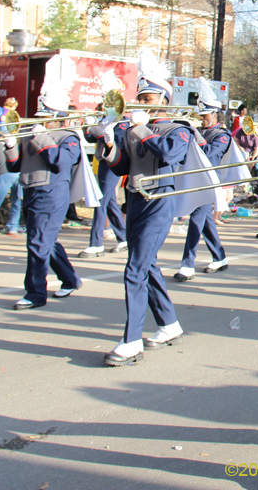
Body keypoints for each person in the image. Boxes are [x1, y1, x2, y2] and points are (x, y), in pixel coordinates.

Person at [95, 50, 192, 365]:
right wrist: (109, 144)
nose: (142, 102)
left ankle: (131, 340)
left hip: (159, 202)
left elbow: (168, 155)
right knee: (145, 265)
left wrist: (139, 128)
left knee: (135, 269)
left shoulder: (178, 129)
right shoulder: (136, 128)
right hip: (134, 200)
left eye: (149, 97)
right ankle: (169, 324)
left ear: (163, 100)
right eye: (140, 96)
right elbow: (121, 166)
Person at [5, 57, 83, 310]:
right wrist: (9, 146)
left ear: (58, 117)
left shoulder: (68, 137)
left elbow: (59, 161)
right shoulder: (35, 133)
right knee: (43, 240)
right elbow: (15, 166)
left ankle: (35, 293)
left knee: (37, 243)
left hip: (52, 193)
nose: (39, 120)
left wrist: (40, 137)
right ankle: (70, 279)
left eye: (44, 116)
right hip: (29, 192)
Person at [174, 79, 231, 282]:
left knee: (196, 222)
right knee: (205, 222)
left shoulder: (222, 135)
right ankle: (220, 256)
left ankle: (187, 264)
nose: (202, 119)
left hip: (209, 183)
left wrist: (194, 132)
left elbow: (208, 153)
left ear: (214, 114)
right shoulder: (202, 130)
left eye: (205, 115)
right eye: (201, 115)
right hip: (194, 180)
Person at [79, 76, 129, 258]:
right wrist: (88, 124)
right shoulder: (105, 117)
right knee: (108, 201)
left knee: (100, 200)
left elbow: (114, 141)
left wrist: (96, 128)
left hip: (113, 164)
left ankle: (96, 243)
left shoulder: (122, 119)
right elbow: (91, 138)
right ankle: (123, 238)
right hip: (102, 162)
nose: (105, 104)